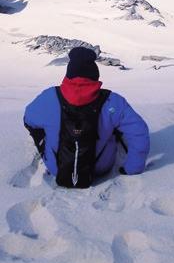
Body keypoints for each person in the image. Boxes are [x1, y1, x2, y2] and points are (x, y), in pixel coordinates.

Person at [24, 46, 150, 188]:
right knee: (116, 130)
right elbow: (139, 132)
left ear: (68, 73)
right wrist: (133, 168)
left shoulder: (48, 97)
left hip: (57, 168)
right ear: (95, 75)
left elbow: (28, 119)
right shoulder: (113, 101)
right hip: (100, 167)